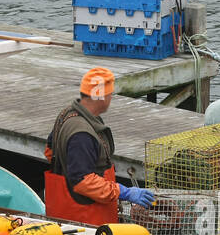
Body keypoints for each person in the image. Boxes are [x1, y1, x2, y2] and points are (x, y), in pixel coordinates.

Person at [44, 67, 154, 225]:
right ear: (100, 97)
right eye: (110, 94)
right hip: (84, 219)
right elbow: (83, 182)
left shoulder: (66, 114)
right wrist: (124, 192)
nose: (111, 98)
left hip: (61, 210)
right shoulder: (82, 135)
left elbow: (49, 152)